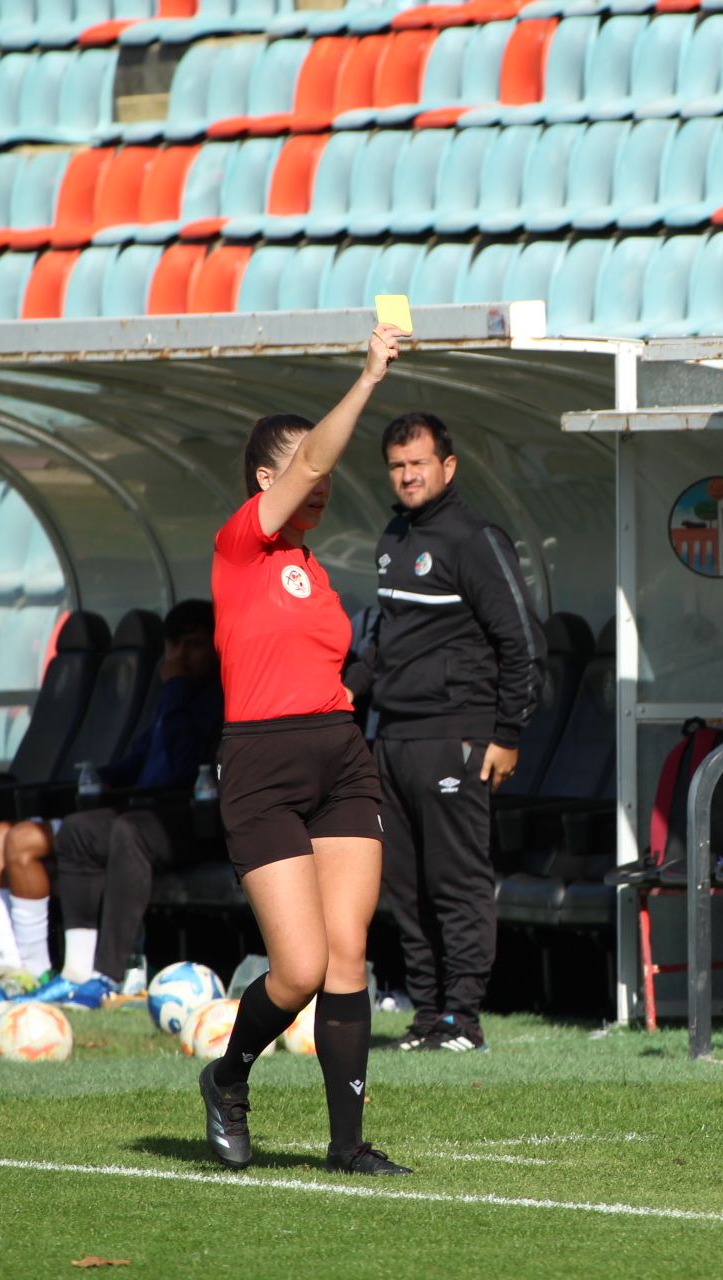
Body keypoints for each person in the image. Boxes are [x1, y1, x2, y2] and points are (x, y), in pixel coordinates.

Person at [199, 324, 412, 1178]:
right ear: (265, 480)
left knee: (349, 952)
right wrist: (367, 379)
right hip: (260, 767)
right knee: (298, 968)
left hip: (337, 756)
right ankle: (229, 1076)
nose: (317, 487)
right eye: (298, 474)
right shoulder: (239, 545)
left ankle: (348, 1146)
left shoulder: (314, 568)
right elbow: (317, 464)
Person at [353, 411, 542, 1053]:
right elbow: (389, 641)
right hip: (395, 738)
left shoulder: (473, 539)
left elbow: (520, 643)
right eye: (398, 465)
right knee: (405, 886)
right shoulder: (392, 537)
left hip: (456, 735)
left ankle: (464, 1019)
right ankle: (428, 1015)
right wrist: (349, 687)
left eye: (419, 464)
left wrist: (507, 733)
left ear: (448, 467)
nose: (408, 475)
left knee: (456, 880)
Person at [0, 600, 222, 997]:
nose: (180, 658)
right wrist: (103, 778)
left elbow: (183, 766)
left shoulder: (213, 699)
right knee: (47, 831)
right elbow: (139, 759)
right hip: (135, 808)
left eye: (193, 646)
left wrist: (174, 687)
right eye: (174, 647)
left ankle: (85, 975)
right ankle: (64, 974)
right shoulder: (171, 700)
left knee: (27, 840)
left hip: (176, 818)